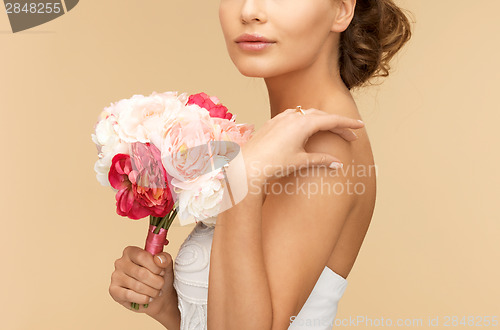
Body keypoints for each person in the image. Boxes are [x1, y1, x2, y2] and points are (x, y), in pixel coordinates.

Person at [108, 0, 413, 329]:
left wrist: (242, 179)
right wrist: (169, 306)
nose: (249, 10)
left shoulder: (325, 147)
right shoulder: (285, 140)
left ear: (340, 10)